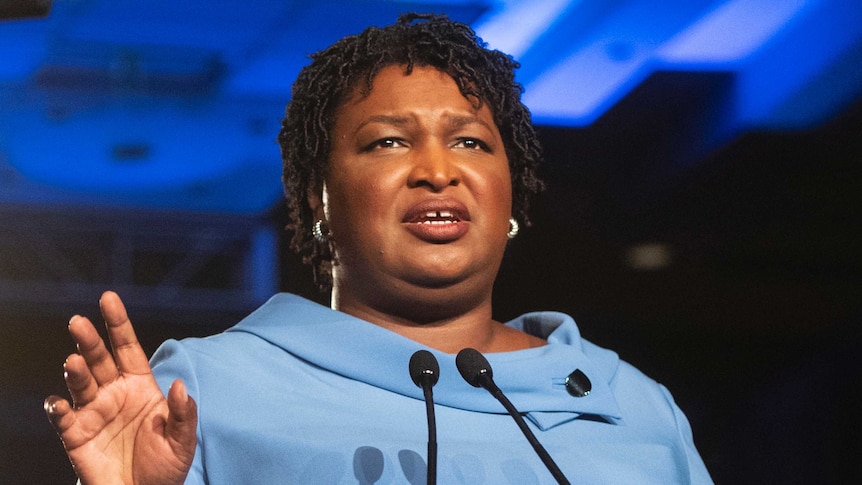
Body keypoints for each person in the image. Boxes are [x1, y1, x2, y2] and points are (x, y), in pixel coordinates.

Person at [44, 13, 713, 484]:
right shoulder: (201, 393)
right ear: (317, 197)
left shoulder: (633, 402)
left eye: (472, 141)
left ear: (513, 190)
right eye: (388, 140)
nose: (437, 169)